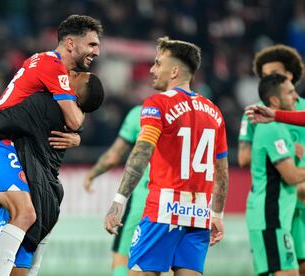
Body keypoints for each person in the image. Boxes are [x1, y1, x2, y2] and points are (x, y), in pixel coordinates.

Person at [0, 14, 103, 276]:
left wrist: (77, 136)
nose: (97, 52)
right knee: (27, 214)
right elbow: (74, 119)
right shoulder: (53, 67)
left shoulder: (48, 66)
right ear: (71, 44)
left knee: (15, 222)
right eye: (92, 45)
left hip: (8, 143)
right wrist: (77, 133)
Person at [104, 37, 228, 276]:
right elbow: (221, 170)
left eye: (158, 63)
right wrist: (217, 215)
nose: (152, 70)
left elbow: (141, 152)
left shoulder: (157, 103)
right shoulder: (214, 111)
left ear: (174, 70)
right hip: (199, 213)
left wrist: (119, 200)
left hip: (163, 210)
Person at [240, 45, 305, 275]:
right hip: (274, 211)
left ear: (290, 75)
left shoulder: (277, 121)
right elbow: (290, 174)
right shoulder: (262, 121)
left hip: (285, 211)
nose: (295, 96)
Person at [83, 105, 149, 276]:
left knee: (122, 258)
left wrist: (91, 174)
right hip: (179, 201)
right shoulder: (200, 113)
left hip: (144, 197)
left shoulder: (142, 113)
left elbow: (113, 156)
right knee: (167, 264)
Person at [238, 44, 304, 167]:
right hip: (268, 185)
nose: (268, 79)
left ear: (289, 75)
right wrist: (285, 153)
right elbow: (244, 160)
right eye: (264, 75)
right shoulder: (255, 112)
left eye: (274, 73)